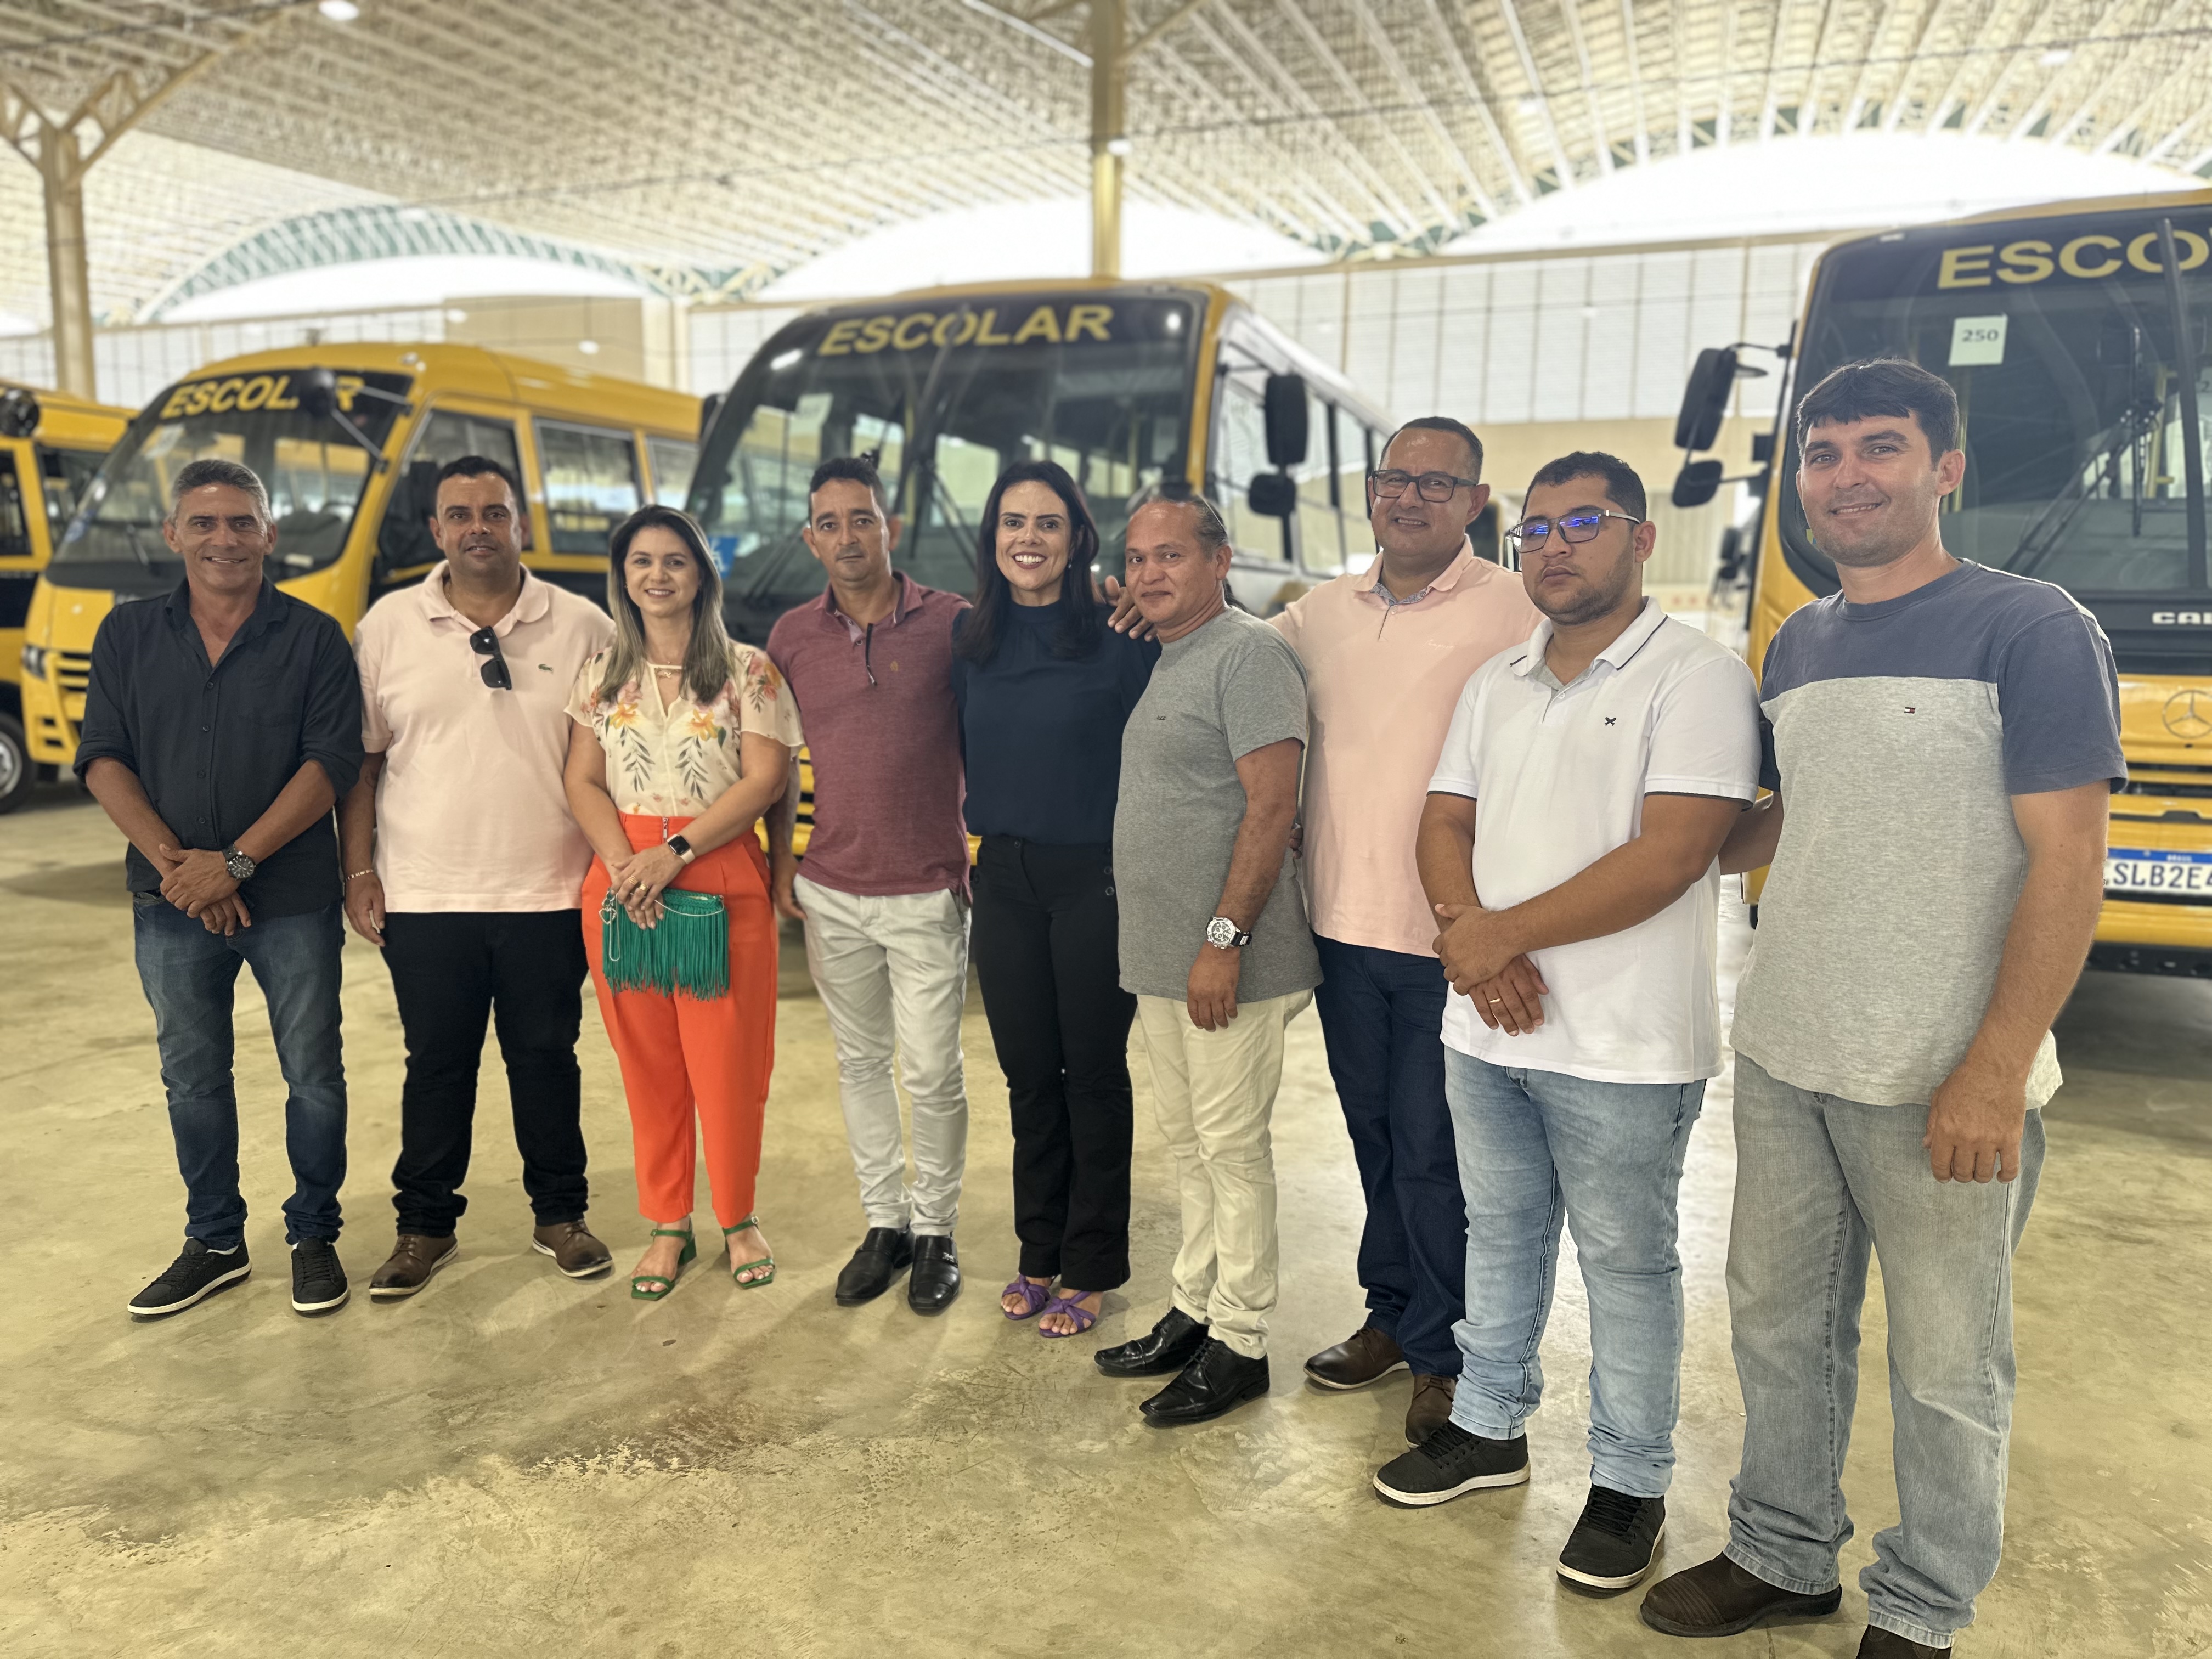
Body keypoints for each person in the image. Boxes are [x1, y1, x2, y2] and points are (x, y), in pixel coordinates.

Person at [1643, 362, 2121, 1657]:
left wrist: (1997, 1067)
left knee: (1946, 1364)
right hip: (1789, 1051)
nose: (1847, 476)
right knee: (1778, 1325)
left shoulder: (2031, 627)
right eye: (1825, 453)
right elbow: (1801, 812)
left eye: (1881, 447)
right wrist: (1664, 843)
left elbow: (2071, 861)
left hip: (1939, 1072)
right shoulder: (1799, 643)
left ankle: (1923, 1603)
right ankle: (1782, 1551)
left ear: (1944, 469)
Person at [1371, 452, 1758, 1598]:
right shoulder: (1497, 679)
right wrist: (1471, 935)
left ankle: (1631, 1483)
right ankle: (1488, 1426)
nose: (1553, 546)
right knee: (1498, 1232)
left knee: (1627, 1264)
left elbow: (1674, 854)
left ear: (1641, 538)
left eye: (1583, 522)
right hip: (1488, 1033)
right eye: (1534, 529)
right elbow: (1443, 822)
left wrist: (1496, 938)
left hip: (1624, 1043)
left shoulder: (1696, 676)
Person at [1273, 415, 1539, 1444]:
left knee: (1437, 1154)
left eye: (1438, 483)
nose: (1410, 497)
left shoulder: (1518, 607)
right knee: (1375, 1137)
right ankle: (1390, 1313)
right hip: (1341, 929)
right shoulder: (1320, 614)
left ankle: (1445, 1355)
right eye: (1395, 478)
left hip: (1449, 939)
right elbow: (1227, 656)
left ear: (1476, 502)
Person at [79, 458, 363, 1320]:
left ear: (269, 534)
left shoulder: (315, 638)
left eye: (242, 522)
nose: (223, 539)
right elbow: (103, 758)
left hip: (292, 899)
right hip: (171, 903)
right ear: (173, 534)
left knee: (312, 1073)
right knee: (192, 1077)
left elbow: (331, 763)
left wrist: (234, 863)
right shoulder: (126, 635)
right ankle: (215, 1242)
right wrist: (185, 871)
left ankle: (313, 1237)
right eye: (203, 522)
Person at [341, 455, 616, 1299]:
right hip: (425, 895)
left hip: (549, 891)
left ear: (521, 524)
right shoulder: (388, 625)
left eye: (494, 512)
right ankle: (425, 1228)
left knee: (547, 1057)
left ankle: (560, 1216)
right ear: (436, 530)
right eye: (458, 515)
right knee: (437, 1064)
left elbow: (613, 763)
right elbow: (364, 765)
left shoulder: (584, 627)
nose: (477, 528)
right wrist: (358, 869)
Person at [1093, 489, 1319, 1426]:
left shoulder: (1249, 654)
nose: (1149, 573)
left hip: (1227, 960)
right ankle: (1194, 1309)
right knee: (1188, 1146)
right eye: (1136, 558)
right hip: (1160, 959)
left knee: (1231, 1150)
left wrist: (1224, 940)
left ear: (1220, 561)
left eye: (1171, 555)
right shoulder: (1171, 652)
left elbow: (1273, 807)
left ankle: (1243, 1341)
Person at [564, 506, 802, 1299]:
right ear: (623, 577)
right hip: (624, 883)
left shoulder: (748, 671)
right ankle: (669, 1222)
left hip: (716, 872)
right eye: (641, 561)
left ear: (702, 574)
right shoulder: (600, 675)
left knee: (729, 1065)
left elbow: (765, 780)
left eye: (675, 560)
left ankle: (738, 1217)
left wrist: (675, 854)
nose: (657, 575)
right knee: (649, 1065)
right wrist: (624, 864)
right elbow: (581, 779)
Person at [953, 460, 1158, 1339]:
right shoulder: (969, 640)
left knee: (1093, 1076)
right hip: (1002, 879)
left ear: (1078, 540)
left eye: (1047, 523)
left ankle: (1093, 1265)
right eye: (1012, 522)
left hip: (1096, 881)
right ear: (992, 537)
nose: (1028, 538)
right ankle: (1038, 1252)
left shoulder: (1121, 636)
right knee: (1029, 1077)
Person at [766, 454, 971, 1314]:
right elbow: (774, 762)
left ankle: (936, 1231)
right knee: (860, 1063)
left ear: (892, 527)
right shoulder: (790, 638)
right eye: (830, 523)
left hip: (926, 888)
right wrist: (781, 864)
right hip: (832, 890)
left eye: (863, 518)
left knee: (932, 1072)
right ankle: (884, 1224)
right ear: (810, 539)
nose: (848, 536)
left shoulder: (953, 623)